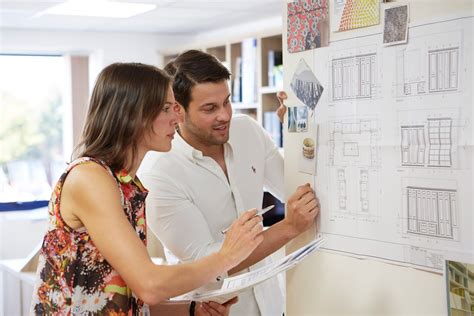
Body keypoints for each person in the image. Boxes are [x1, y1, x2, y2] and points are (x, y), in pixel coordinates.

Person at [30, 62, 265, 315]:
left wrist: (192, 310)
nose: (177, 118)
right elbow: (150, 285)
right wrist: (226, 256)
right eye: (166, 108)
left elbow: (127, 296)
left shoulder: (128, 185)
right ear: (132, 114)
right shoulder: (89, 178)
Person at [139, 50, 320, 316]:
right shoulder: (158, 173)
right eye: (210, 108)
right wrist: (289, 227)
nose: (224, 115)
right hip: (214, 310)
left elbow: (297, 191)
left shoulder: (247, 130)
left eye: (227, 102)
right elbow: (207, 264)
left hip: (272, 305)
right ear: (178, 111)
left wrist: (298, 129)